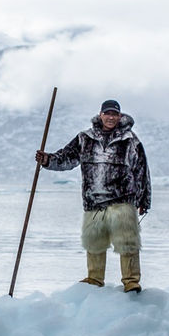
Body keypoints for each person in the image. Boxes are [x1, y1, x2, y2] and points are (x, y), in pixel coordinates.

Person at [36, 99, 151, 292]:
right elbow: (66, 157)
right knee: (94, 242)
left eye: (115, 114)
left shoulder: (131, 140)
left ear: (120, 117)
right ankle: (94, 279)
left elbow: (141, 170)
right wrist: (47, 159)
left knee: (127, 242)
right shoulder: (85, 138)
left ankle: (131, 281)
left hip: (122, 200)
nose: (111, 117)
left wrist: (144, 200)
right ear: (100, 115)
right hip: (93, 201)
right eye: (108, 114)